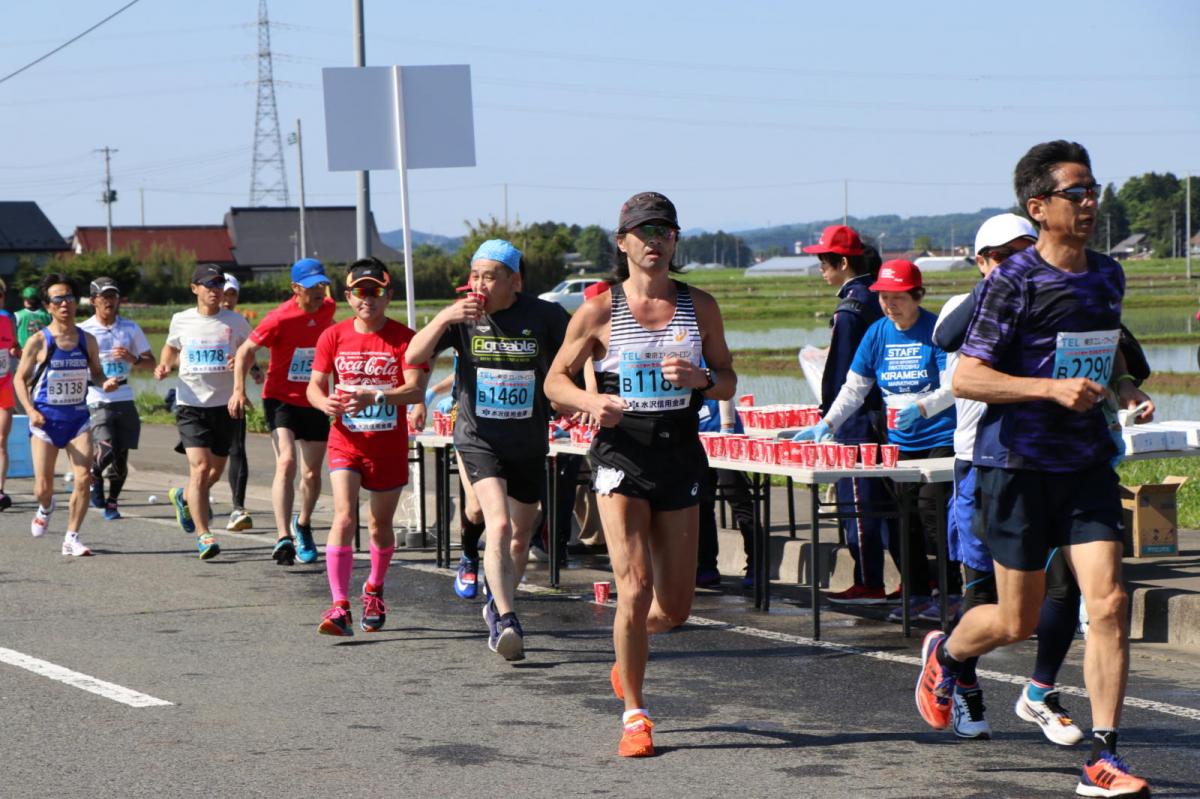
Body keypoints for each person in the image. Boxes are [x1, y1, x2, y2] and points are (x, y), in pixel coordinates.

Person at [915, 140, 1155, 798]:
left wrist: (1124, 388)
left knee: (1107, 602)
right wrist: (1049, 390)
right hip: (1014, 466)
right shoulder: (1010, 282)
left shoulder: (1108, 274)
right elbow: (967, 374)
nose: (1090, 202)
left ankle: (1102, 757)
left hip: (1084, 464)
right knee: (1014, 619)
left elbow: (1102, 357)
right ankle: (952, 653)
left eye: (1093, 189)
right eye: (1076, 193)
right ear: (1039, 206)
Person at [544, 191, 736, 758]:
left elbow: (726, 378)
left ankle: (625, 654)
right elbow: (554, 382)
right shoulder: (600, 310)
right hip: (620, 453)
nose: (655, 241)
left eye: (665, 232)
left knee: (674, 608)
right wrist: (587, 401)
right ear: (622, 242)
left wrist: (700, 378)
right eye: (644, 232)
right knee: (634, 587)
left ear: (675, 242)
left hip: (679, 451)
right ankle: (635, 713)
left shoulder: (699, 306)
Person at [931, 213, 1085, 743]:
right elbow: (945, 334)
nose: (1017, 262)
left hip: (1050, 461)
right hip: (983, 465)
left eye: (1026, 251)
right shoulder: (968, 303)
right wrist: (1000, 282)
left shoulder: (1054, 299)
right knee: (982, 597)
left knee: (1064, 585)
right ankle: (963, 685)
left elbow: (1124, 348)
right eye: (1003, 255)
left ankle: (1041, 690)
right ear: (980, 261)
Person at [407, 239, 571, 661]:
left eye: (490, 276)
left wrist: (582, 397)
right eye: (474, 275)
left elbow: (581, 351)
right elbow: (413, 353)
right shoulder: (462, 318)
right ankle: (506, 618)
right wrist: (445, 315)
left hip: (529, 441)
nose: (479, 284)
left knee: (520, 536)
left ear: (515, 281)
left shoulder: (545, 315)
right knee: (495, 526)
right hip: (478, 439)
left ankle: (496, 601)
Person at [794, 260, 960, 617]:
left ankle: (951, 592)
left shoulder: (937, 332)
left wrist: (923, 407)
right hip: (899, 443)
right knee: (905, 518)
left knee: (933, 512)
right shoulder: (877, 333)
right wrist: (829, 423)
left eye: (897, 296)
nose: (889, 304)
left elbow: (953, 386)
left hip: (940, 438)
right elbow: (855, 387)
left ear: (917, 295)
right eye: (883, 297)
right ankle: (915, 595)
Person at [306, 257, 428, 636]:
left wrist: (374, 396)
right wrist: (322, 402)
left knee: (379, 526)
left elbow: (415, 390)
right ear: (348, 296)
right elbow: (314, 385)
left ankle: (374, 589)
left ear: (388, 295)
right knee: (343, 517)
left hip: (387, 445)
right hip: (345, 441)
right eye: (360, 293)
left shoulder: (404, 338)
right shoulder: (333, 336)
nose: (367, 300)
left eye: (375, 292)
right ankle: (339, 605)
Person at [801, 225, 897, 605]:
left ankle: (869, 580)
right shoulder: (880, 297)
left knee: (858, 504)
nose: (822, 270)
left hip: (856, 421)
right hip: (886, 415)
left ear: (842, 262)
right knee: (889, 504)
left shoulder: (850, 309)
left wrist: (830, 420)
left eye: (824, 262)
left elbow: (843, 373)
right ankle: (911, 582)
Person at [230, 258, 335, 566]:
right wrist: (239, 390)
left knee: (312, 473)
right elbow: (245, 350)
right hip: (280, 399)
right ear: (295, 289)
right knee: (287, 460)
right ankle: (282, 537)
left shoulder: (328, 308)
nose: (318, 292)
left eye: (321, 285)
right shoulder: (279, 318)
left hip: (315, 399)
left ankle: (302, 525)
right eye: (312, 287)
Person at [12, 273, 120, 554]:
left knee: (84, 477)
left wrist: (104, 381)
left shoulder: (87, 340)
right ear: (48, 306)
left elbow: (96, 373)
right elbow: (19, 380)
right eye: (58, 299)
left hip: (77, 419)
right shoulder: (39, 341)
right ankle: (46, 507)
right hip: (45, 422)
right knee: (42, 487)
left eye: (69, 298)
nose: (64, 304)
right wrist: (31, 410)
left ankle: (71, 537)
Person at [155, 264, 252, 560]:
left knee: (214, 472)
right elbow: (170, 348)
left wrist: (244, 365)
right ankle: (204, 535)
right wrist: (165, 365)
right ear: (195, 288)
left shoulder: (235, 321)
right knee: (198, 468)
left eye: (219, 284)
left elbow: (249, 351)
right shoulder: (181, 319)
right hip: (190, 404)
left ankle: (183, 497)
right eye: (209, 285)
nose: (215, 290)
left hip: (224, 406)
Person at [79, 277, 156, 521]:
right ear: (93, 301)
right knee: (107, 447)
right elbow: (76, 365)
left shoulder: (130, 328)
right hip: (96, 395)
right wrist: (97, 378)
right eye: (104, 297)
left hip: (124, 395)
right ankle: (93, 473)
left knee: (122, 454)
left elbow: (151, 362)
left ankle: (112, 502)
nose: (110, 301)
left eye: (113, 296)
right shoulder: (83, 330)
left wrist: (133, 359)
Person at [695, 397, 756, 589]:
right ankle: (707, 567)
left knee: (739, 502)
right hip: (698, 439)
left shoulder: (706, 365)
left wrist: (727, 429)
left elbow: (725, 391)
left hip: (725, 436)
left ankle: (756, 565)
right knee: (703, 506)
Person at [220, 273, 262, 532]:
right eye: (223, 293)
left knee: (237, 450)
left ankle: (238, 507)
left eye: (231, 294)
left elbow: (248, 350)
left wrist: (253, 368)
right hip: (202, 401)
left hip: (234, 396)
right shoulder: (199, 320)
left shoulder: (240, 322)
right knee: (208, 461)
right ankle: (192, 496)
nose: (226, 299)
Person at [0, 279, 17, 510]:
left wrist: (16, 350)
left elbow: (14, 347)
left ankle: (0, 491)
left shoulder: (6, 320)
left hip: (3, 387)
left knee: (1, 440)